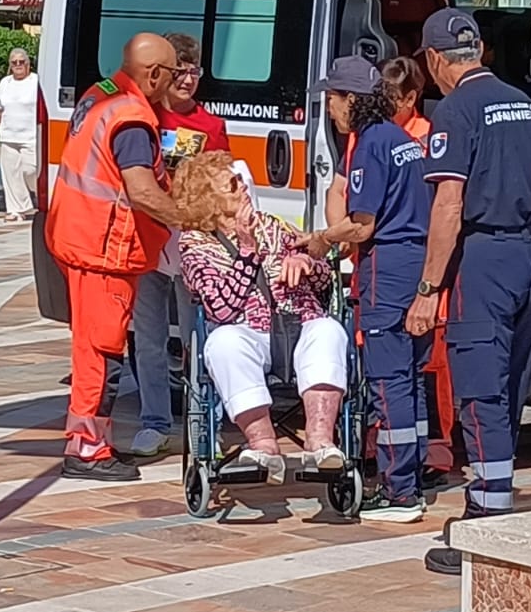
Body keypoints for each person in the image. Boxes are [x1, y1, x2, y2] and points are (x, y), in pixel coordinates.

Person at [405, 8, 531, 574]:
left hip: (481, 261)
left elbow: (448, 206)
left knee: (480, 392)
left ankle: (486, 523)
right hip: (527, 259)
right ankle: (494, 494)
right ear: (478, 50)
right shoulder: (526, 106)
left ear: (435, 59)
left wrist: (428, 288)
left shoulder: (455, 111)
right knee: (511, 387)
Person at [312, 57, 459, 486]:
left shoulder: (370, 144)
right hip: (415, 265)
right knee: (410, 378)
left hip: (388, 269)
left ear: (352, 100)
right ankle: (411, 474)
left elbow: (362, 225)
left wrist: (323, 238)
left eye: (333, 100)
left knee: (388, 381)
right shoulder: (401, 138)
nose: (330, 111)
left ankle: (398, 489)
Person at [44, 33, 185, 481]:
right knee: (102, 355)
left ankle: (90, 442)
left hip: (78, 237)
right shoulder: (133, 118)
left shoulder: (100, 93)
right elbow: (141, 191)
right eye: (172, 74)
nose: (174, 83)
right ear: (154, 74)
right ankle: (87, 449)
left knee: (90, 348)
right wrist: (188, 218)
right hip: (104, 249)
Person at [177, 151, 348, 484]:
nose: (243, 185)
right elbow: (220, 309)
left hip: (298, 324)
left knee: (329, 330)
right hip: (246, 334)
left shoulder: (273, 225)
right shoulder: (195, 246)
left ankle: (320, 441)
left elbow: (325, 279)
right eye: (232, 184)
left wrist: (306, 264)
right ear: (208, 200)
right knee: (223, 343)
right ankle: (264, 445)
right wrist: (247, 253)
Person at [121, 32, 233, 458]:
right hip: (148, 242)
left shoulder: (211, 126)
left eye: (194, 72)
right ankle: (154, 422)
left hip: (193, 248)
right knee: (148, 338)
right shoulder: (143, 117)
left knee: (198, 339)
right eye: (180, 71)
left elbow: (224, 184)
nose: (187, 80)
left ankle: (205, 423)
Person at [0, 48, 41, 223]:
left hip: (31, 137)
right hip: (9, 137)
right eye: (14, 62)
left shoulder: (36, 81)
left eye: (21, 62)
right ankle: (16, 210)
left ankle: (41, 194)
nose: (18, 65)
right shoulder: (5, 83)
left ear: (28, 64)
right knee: (11, 175)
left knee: (30, 170)